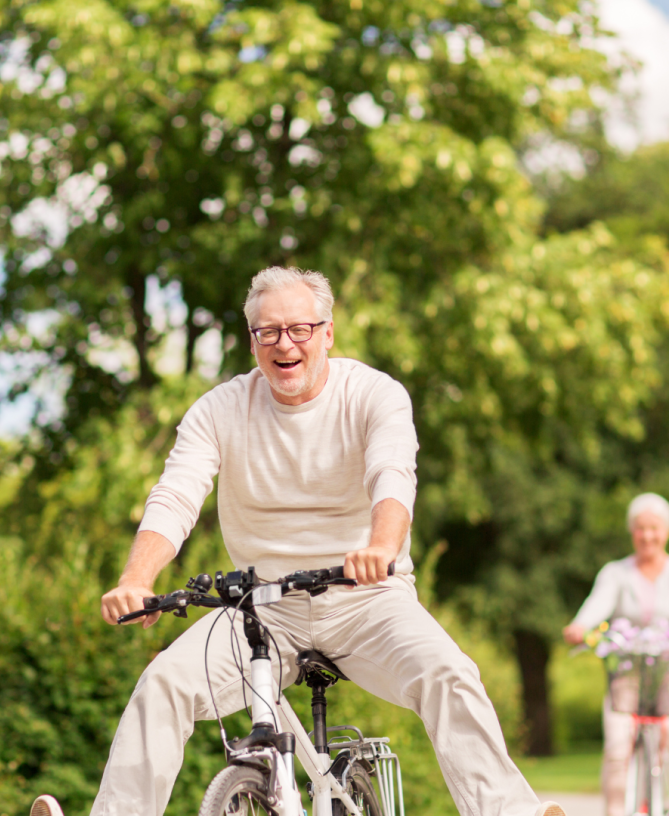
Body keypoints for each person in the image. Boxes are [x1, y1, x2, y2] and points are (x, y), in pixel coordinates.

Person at [31, 267, 564, 816]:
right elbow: (176, 495)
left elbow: (392, 475)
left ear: (327, 333)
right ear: (253, 340)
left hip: (368, 599)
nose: (285, 344)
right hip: (263, 608)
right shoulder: (219, 410)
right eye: (269, 332)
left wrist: (380, 548)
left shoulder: (374, 394)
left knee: (449, 675)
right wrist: (136, 580)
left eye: (300, 329)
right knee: (163, 682)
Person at [563, 492, 669, 816]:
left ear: (665, 531)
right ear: (631, 531)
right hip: (626, 672)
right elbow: (597, 605)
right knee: (617, 747)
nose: (647, 535)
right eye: (640, 528)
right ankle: (614, 811)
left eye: (654, 528)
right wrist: (580, 626)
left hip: (665, 674)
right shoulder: (617, 573)